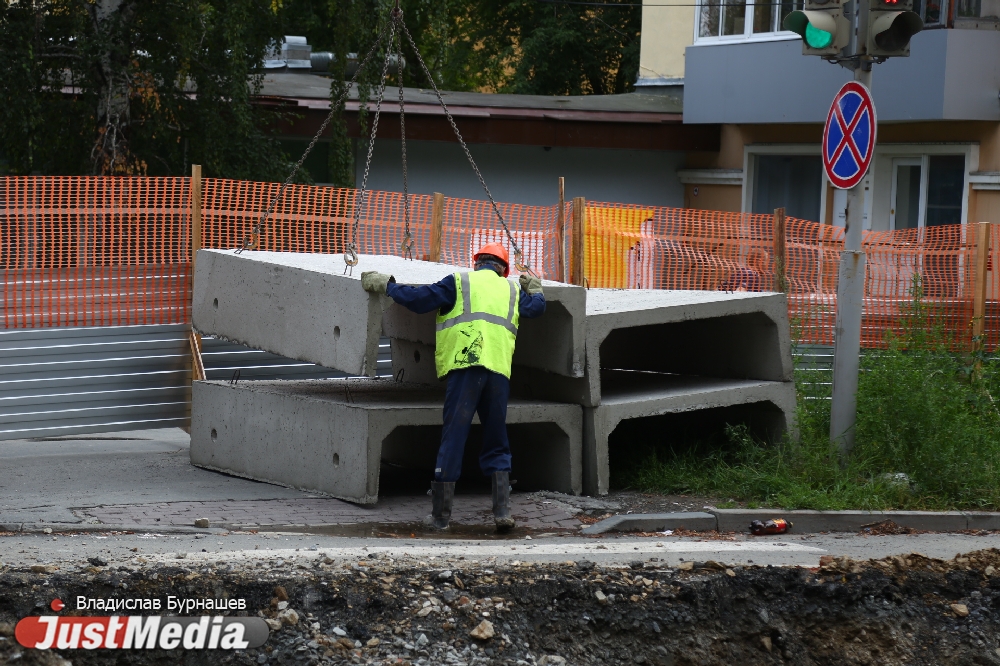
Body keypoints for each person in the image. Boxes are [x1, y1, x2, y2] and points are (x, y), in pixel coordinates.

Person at [360, 243, 545, 532]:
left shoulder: (459, 282)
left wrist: (388, 286)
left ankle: (440, 517)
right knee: (497, 439)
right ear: (504, 269)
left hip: (465, 367)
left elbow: (419, 300)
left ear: (477, 263)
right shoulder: (511, 290)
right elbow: (536, 308)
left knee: (454, 437)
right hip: (498, 371)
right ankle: (502, 512)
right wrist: (536, 289)